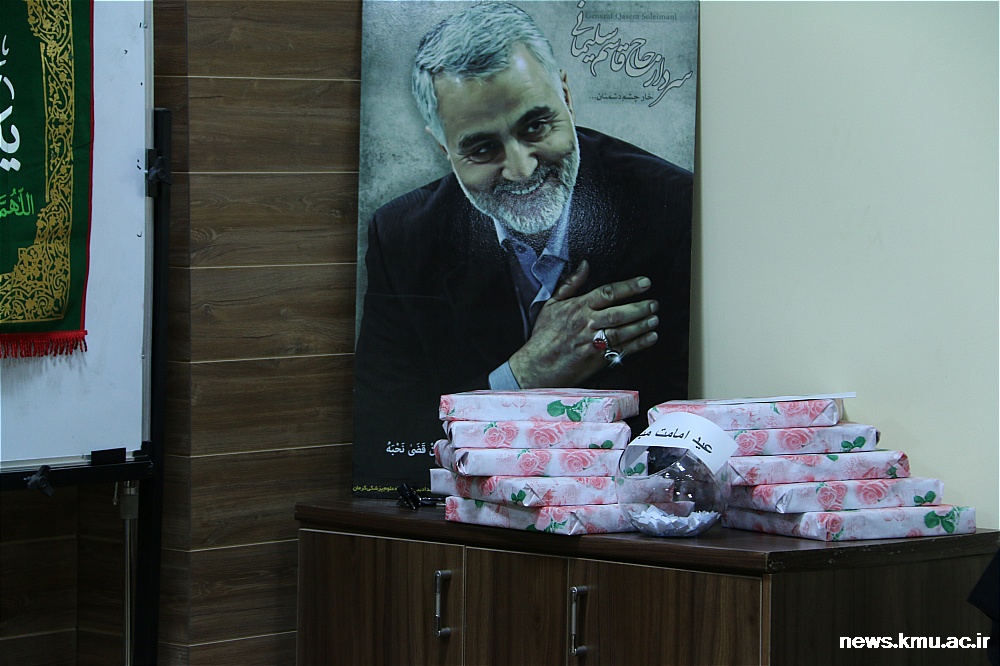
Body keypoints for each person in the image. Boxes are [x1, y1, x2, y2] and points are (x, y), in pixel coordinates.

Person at [352, 2, 693, 495]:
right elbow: (382, 446)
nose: (522, 169)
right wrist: (522, 375)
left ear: (567, 97)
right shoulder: (401, 237)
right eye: (482, 149)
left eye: (535, 126)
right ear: (443, 148)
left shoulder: (675, 206)